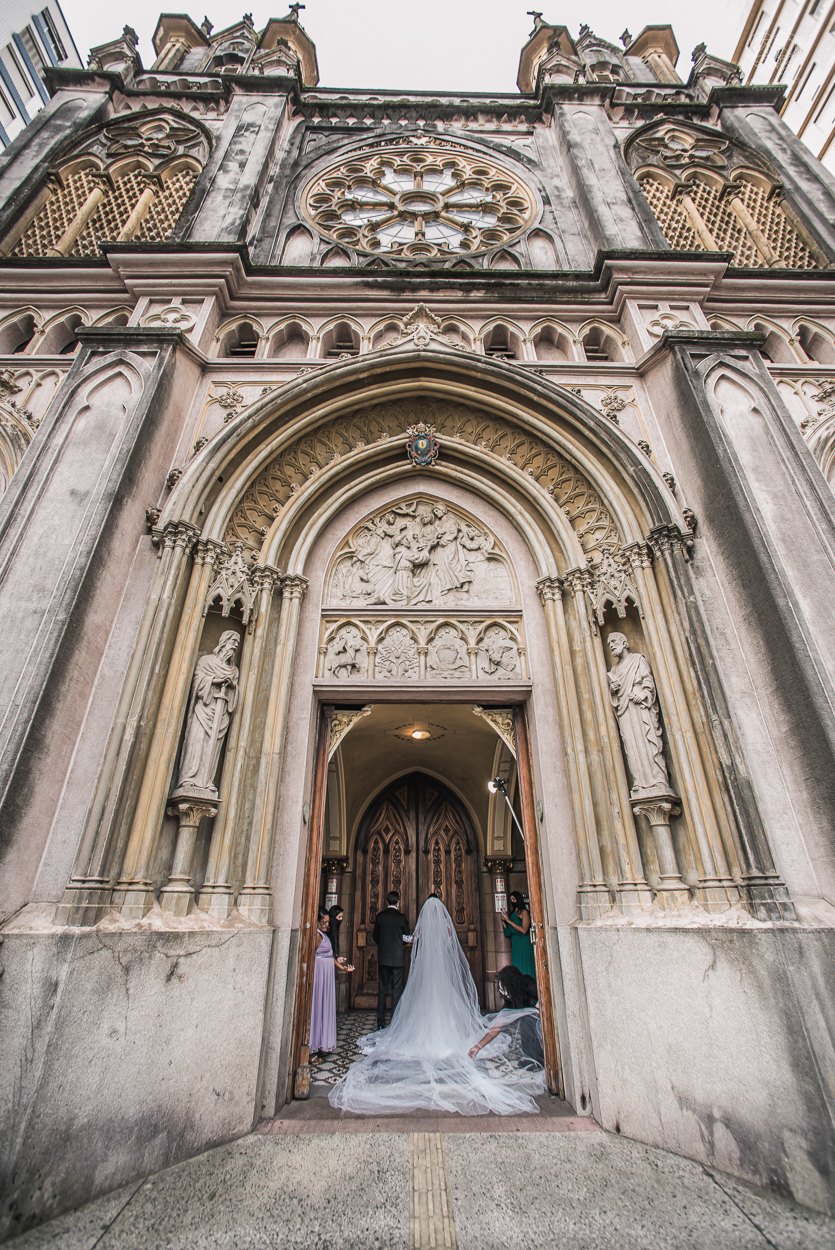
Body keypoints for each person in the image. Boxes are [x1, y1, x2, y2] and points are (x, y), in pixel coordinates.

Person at [328, 896, 546, 1116]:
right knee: (443, 1001)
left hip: (417, 968)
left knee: (415, 999)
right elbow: (450, 941)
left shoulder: (416, 923)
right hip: (440, 972)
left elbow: (414, 938)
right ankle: (448, 1035)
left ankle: (390, 1021)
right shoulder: (443, 925)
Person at [468, 964, 543, 1070]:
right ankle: (533, 1059)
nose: (504, 994)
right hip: (530, 1030)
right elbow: (495, 1030)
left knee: (527, 1021)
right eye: (501, 991)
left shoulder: (532, 988)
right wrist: (478, 1047)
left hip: (544, 1026)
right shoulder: (510, 1002)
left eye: (505, 990)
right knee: (524, 1023)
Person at [309, 908, 353, 1065]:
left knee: (324, 1008)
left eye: (328, 922)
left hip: (326, 977)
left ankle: (320, 1043)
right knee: (317, 1007)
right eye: (324, 922)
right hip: (320, 978)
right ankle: (311, 1047)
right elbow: (310, 955)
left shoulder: (325, 934)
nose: (328, 925)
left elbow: (328, 955)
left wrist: (341, 968)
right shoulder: (316, 936)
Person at [372, 890, 411, 1029]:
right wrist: (399, 944)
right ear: (398, 902)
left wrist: (384, 945)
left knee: (382, 990)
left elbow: (375, 936)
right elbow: (407, 936)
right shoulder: (401, 918)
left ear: (387, 902)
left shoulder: (380, 917)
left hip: (383, 958)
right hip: (397, 958)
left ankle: (380, 1022)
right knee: (396, 990)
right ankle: (395, 1021)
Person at [501, 891, 536, 979]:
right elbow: (507, 933)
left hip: (524, 944)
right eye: (511, 900)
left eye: (514, 899)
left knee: (527, 967)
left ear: (518, 899)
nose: (512, 901)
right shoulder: (511, 914)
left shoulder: (524, 912)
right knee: (518, 968)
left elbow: (524, 930)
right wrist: (504, 922)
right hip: (516, 945)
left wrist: (509, 921)